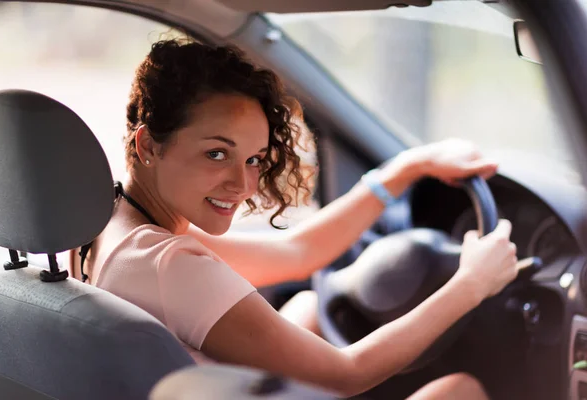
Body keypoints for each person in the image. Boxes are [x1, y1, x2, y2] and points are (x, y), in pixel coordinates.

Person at [75, 39, 519, 399]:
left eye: (253, 160)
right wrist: (471, 285)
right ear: (149, 146)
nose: (244, 185)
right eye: (217, 154)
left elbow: (297, 252)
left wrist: (406, 168)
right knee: (462, 389)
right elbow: (346, 375)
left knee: (308, 307)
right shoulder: (170, 266)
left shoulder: (111, 226)